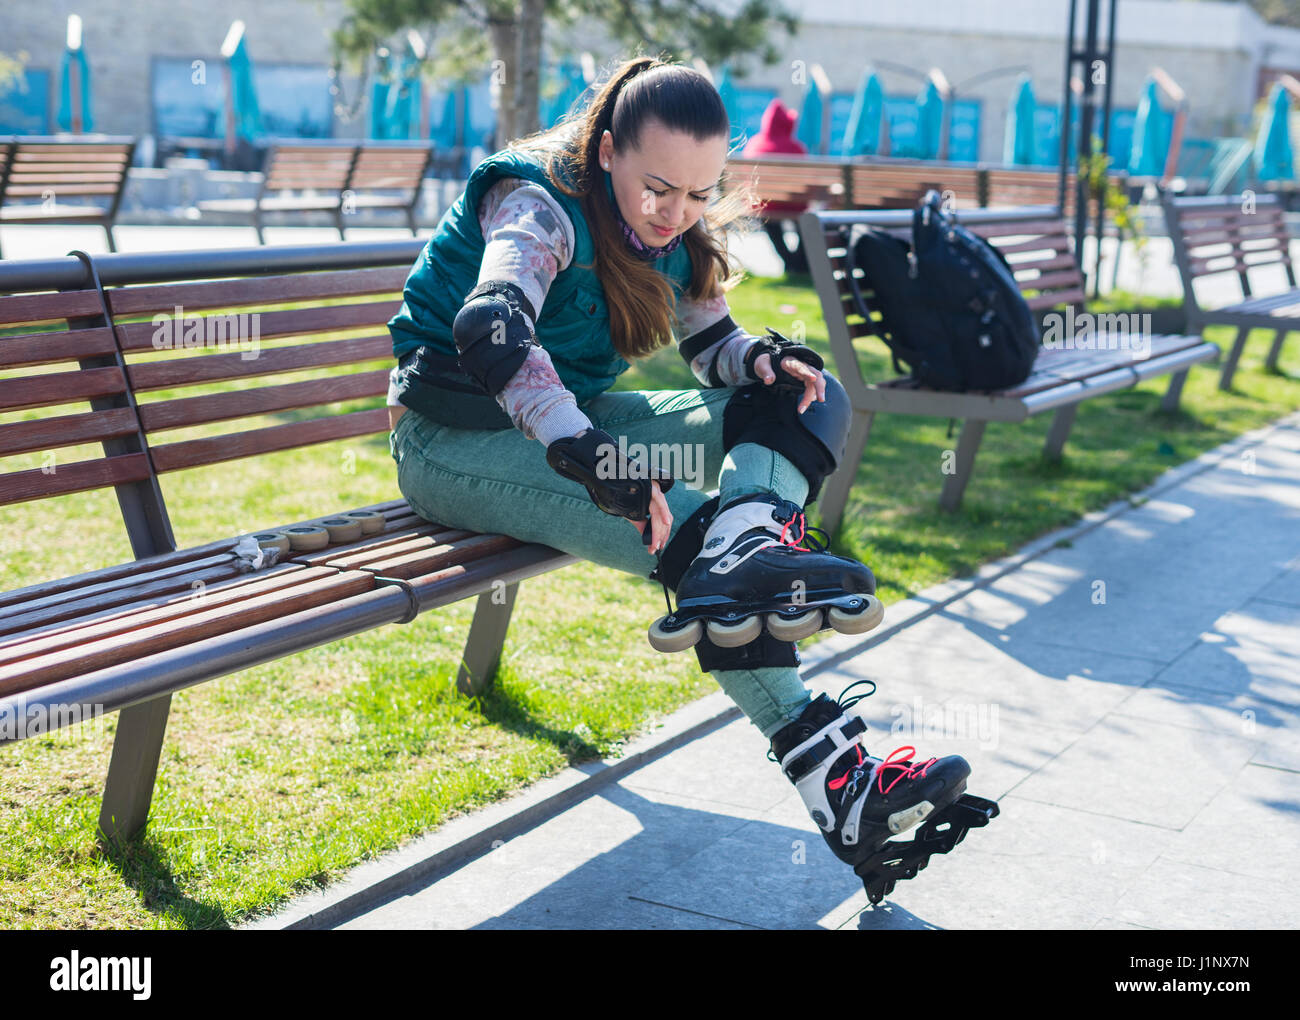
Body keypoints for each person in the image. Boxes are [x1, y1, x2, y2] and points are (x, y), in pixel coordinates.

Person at [385, 56, 973, 890]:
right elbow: (494, 325)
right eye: (658, 188)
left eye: (700, 194)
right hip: (449, 441)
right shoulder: (538, 203)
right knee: (705, 545)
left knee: (801, 403)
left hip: (571, 423)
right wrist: (583, 451)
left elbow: (712, 350)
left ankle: (747, 555)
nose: (676, 213)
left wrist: (761, 359)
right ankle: (845, 783)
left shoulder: (681, 224)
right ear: (607, 150)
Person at [742, 98, 810, 275]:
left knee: (768, 215)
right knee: (806, 221)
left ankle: (790, 262)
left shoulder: (755, 144)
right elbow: (805, 181)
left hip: (764, 204)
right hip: (794, 205)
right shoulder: (796, 148)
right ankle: (798, 264)